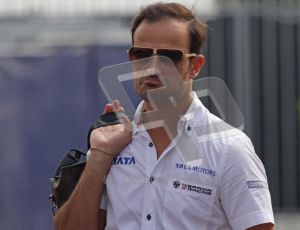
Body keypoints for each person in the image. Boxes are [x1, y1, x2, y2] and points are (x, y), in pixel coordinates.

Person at [54, 2, 275, 230]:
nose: (152, 66)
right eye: (141, 53)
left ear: (195, 66)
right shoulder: (111, 144)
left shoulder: (229, 148)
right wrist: (100, 155)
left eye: (169, 56)